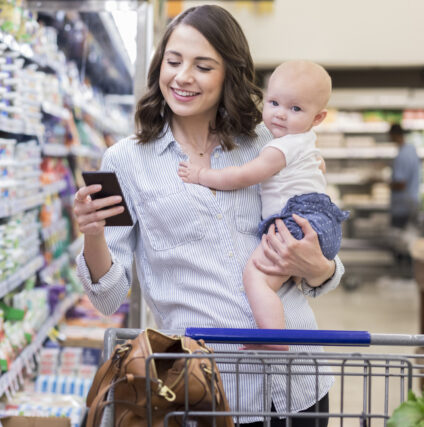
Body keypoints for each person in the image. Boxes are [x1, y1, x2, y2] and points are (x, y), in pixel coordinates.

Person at [73, 5, 343, 426]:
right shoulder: (125, 160)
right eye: (173, 61)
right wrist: (92, 234)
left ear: (229, 74)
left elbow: (321, 256)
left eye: (203, 66)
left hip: (298, 381)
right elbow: (107, 298)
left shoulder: (268, 144)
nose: (182, 77)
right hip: (207, 389)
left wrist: (320, 267)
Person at [177, 60, 349, 346]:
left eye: (295, 109)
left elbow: (244, 175)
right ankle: (272, 330)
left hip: (296, 223)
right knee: (274, 281)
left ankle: (272, 339)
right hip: (321, 224)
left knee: (255, 277)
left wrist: (202, 175)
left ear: (318, 118)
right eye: (274, 103)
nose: (280, 115)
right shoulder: (307, 142)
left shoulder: (279, 147)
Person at [389, 123, 421, 229]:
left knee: (399, 238)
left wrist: (385, 183)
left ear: (394, 135)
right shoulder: (411, 151)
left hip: (402, 206)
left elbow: (401, 184)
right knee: (409, 236)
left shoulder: (401, 156)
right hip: (412, 202)